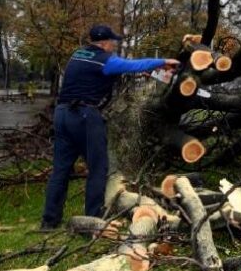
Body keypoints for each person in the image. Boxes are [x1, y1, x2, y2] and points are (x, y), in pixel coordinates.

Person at [40, 25, 180, 230]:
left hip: (62, 115)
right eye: (112, 42)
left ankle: (49, 221)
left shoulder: (78, 55)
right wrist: (162, 62)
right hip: (85, 116)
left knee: (60, 170)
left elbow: (101, 76)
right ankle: (94, 217)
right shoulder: (105, 60)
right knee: (98, 168)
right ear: (104, 42)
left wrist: (147, 74)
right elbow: (131, 65)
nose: (114, 45)